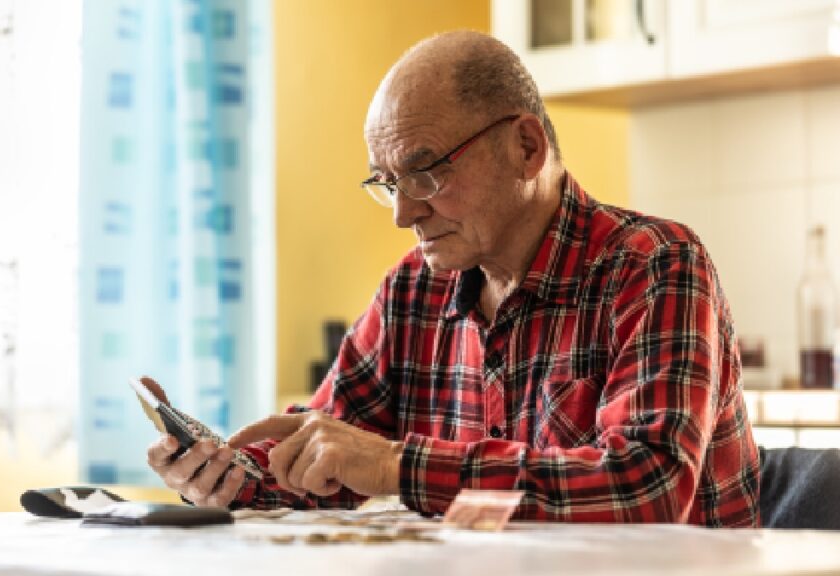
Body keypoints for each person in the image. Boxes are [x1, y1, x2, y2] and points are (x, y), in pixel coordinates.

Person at [145, 30, 760, 526]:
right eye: (387, 183)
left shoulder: (656, 264)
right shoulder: (412, 291)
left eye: (425, 173)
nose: (402, 213)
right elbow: (327, 456)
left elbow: (647, 490)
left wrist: (394, 465)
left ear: (526, 147)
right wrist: (228, 474)